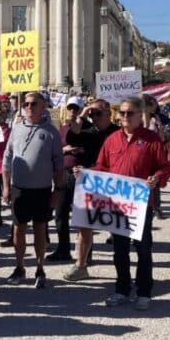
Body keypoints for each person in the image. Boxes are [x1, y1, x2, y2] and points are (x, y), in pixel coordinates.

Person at [95, 96, 170, 311]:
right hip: (117, 205)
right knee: (119, 250)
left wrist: (156, 178)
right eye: (122, 113)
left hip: (140, 204)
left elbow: (164, 167)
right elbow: (102, 167)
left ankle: (144, 291)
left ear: (140, 115)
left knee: (143, 249)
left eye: (130, 113)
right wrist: (84, 175)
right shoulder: (111, 140)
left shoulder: (152, 139)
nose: (125, 117)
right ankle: (121, 289)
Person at [2, 92, 64, 289]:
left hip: (42, 189)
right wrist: (5, 186)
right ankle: (19, 267)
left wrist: (57, 190)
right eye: (26, 104)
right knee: (18, 229)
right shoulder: (16, 128)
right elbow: (7, 158)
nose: (29, 107)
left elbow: (58, 164)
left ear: (43, 106)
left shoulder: (51, 132)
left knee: (40, 229)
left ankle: (40, 267)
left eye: (34, 104)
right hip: (19, 189)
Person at [62, 98, 119, 282]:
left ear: (109, 113)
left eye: (98, 113)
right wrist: (82, 115)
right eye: (92, 114)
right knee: (84, 227)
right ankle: (81, 265)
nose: (94, 117)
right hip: (89, 183)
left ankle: (122, 270)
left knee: (117, 229)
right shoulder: (88, 131)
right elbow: (72, 137)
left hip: (112, 184)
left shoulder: (118, 133)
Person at [48, 97, 83, 261]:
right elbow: (54, 151)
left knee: (82, 216)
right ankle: (63, 248)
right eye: (70, 108)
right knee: (60, 213)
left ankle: (85, 253)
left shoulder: (89, 129)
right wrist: (65, 149)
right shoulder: (61, 129)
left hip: (83, 175)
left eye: (76, 108)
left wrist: (81, 149)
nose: (73, 111)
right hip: (64, 174)